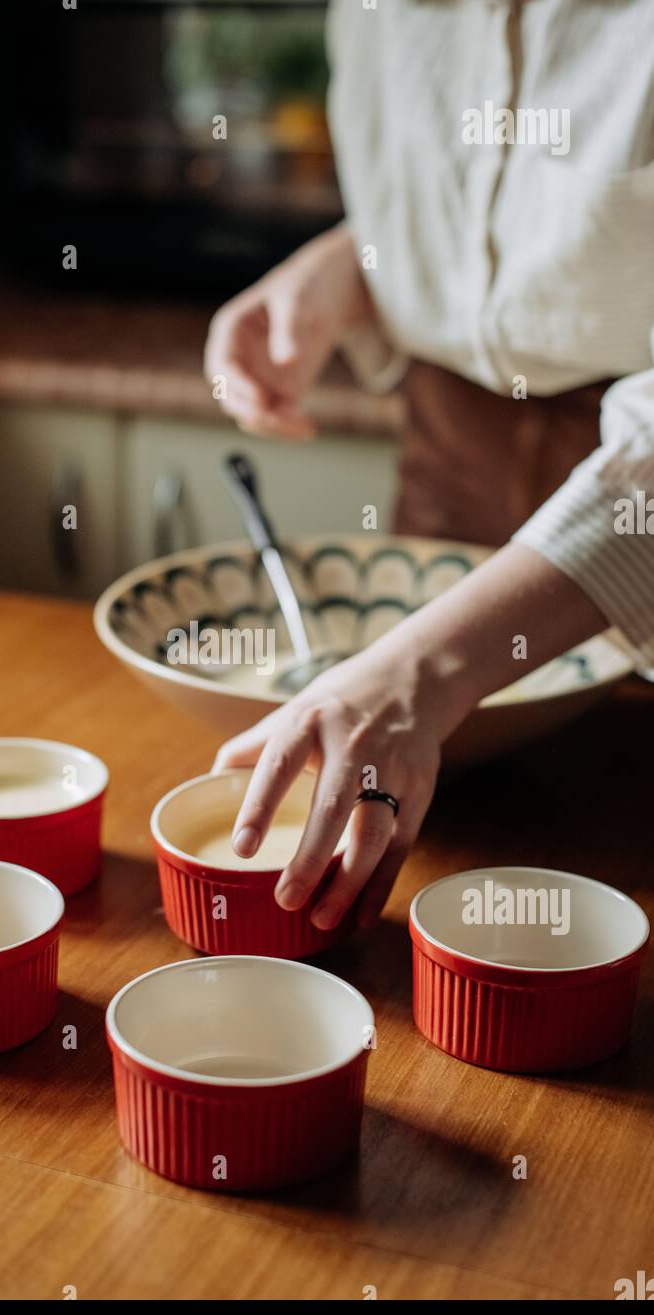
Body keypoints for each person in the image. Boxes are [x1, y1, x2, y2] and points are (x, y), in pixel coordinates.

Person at [202, 0, 654, 934]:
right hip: (455, 440)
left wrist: (423, 668)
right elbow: (497, 204)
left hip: (630, 496)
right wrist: (355, 268)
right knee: (450, 868)